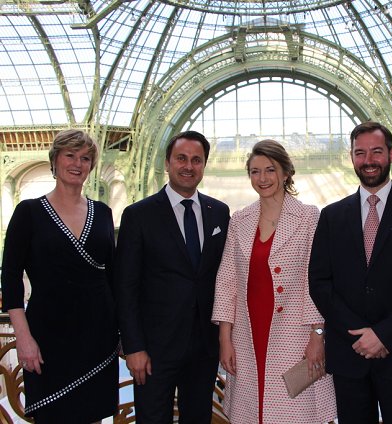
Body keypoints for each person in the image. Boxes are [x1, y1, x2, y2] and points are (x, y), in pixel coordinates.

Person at [309, 122, 392, 424]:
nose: (368, 160)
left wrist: (384, 334)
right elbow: (319, 283)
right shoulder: (332, 216)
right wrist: (358, 334)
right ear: (352, 157)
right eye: (360, 153)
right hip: (349, 355)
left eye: (376, 151)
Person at [212, 139, 336, 423]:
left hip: (295, 335)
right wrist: (225, 338)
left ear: (286, 173)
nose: (262, 178)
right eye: (255, 172)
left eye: (270, 170)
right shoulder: (239, 220)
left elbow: (314, 280)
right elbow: (227, 280)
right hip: (247, 333)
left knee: (293, 411)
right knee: (250, 409)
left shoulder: (308, 217)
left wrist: (318, 335)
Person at [1, 129, 119, 423]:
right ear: (54, 160)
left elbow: (114, 277)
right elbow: (12, 278)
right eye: (70, 155)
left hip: (98, 334)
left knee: (94, 414)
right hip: (47, 336)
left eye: (86, 158)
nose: (78, 163)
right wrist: (24, 337)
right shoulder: (28, 212)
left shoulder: (103, 212)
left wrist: (121, 331)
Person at [115, 130, 230, 424]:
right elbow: (125, 287)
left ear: (204, 165)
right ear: (167, 163)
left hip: (204, 348)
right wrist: (134, 347)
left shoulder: (219, 213)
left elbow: (226, 277)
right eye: (181, 158)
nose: (188, 166)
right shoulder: (138, 215)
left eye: (196, 160)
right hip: (153, 351)